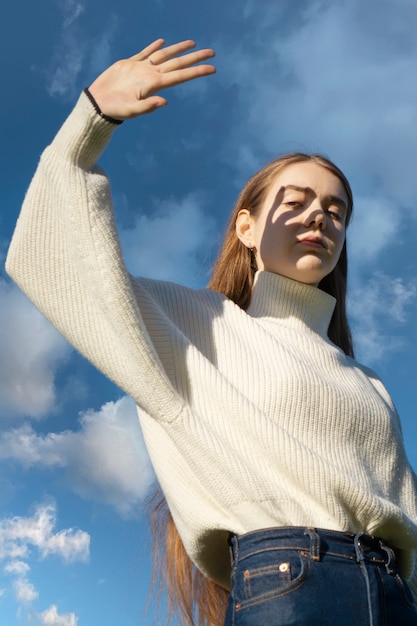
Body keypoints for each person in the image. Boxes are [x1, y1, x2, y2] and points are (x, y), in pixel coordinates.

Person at [6, 38, 417, 626]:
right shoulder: (196, 326)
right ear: (247, 227)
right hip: (290, 588)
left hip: (395, 594)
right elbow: (48, 260)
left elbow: (406, 513)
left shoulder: (368, 382)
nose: (317, 217)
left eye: (335, 210)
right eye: (296, 201)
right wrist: (90, 118)